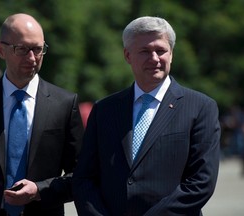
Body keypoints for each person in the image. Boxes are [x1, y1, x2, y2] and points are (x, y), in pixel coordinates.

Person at [72, 16, 221, 216]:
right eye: (144, 51)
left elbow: (201, 183)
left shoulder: (201, 107)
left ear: (171, 54)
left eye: (161, 50)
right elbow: (84, 178)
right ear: (127, 55)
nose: (154, 59)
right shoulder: (104, 110)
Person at [0, 13, 84, 216]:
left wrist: (39, 190)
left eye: (37, 49)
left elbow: (81, 174)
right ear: (1, 50)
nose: (32, 58)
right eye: (22, 49)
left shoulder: (64, 104)